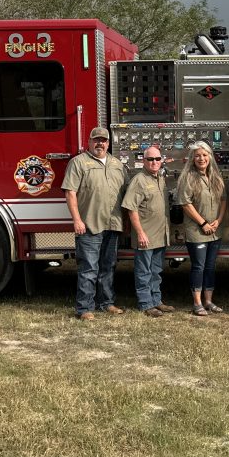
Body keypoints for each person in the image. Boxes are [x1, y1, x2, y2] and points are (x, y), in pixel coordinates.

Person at [62, 127, 129, 320]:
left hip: (113, 224)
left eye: (104, 140)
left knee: (108, 267)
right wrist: (76, 220)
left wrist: (125, 221)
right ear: (89, 142)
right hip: (89, 224)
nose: (100, 143)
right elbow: (70, 192)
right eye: (96, 140)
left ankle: (106, 303)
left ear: (108, 143)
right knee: (89, 268)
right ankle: (84, 308)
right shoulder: (78, 163)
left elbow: (125, 194)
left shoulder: (117, 165)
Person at [122, 145, 175, 317]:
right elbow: (131, 209)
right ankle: (146, 304)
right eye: (150, 159)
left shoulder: (160, 178)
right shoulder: (139, 180)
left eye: (157, 159)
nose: (154, 162)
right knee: (144, 271)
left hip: (160, 235)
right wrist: (140, 233)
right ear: (143, 161)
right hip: (146, 235)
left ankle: (157, 301)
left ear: (162, 160)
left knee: (156, 270)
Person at [176, 141, 227, 316]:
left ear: (210, 157)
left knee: (210, 267)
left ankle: (209, 301)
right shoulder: (188, 178)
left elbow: (223, 200)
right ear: (192, 158)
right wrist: (203, 223)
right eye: (197, 155)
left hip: (215, 231)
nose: (201, 158)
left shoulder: (215, 177)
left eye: (205, 155)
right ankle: (197, 303)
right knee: (199, 266)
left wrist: (218, 221)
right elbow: (185, 203)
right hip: (197, 231)